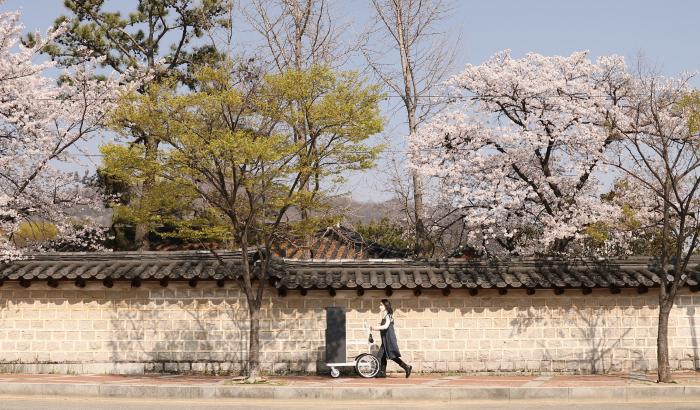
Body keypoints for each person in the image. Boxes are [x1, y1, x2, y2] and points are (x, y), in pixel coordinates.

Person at [370, 299, 412, 378]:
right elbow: (384, 327)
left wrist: (375, 327)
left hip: (389, 338)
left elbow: (385, 326)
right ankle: (382, 373)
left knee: (391, 356)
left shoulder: (388, 315)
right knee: (381, 355)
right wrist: (375, 328)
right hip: (385, 339)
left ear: (386, 306)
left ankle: (406, 367)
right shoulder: (385, 315)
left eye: (381, 305)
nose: (380, 306)